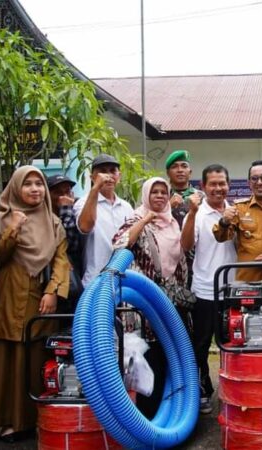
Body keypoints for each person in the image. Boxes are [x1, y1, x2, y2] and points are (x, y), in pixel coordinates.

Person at [0, 166, 69, 443]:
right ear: (15, 188)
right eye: (27, 184)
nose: (34, 189)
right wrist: (13, 229)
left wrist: (53, 291)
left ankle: (29, 421)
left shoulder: (52, 222)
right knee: (3, 358)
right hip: (5, 294)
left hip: (39, 297)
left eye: (39, 184)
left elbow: (61, 260)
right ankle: (4, 421)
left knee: (32, 359)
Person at [112, 176, 194, 419]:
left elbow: (184, 252)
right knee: (150, 354)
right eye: (154, 192)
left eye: (163, 192)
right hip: (144, 301)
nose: (159, 196)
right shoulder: (136, 218)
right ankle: (148, 415)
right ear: (146, 195)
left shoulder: (173, 223)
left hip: (172, 299)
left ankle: (177, 411)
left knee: (174, 353)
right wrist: (147, 218)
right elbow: (120, 244)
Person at [180, 164, 237, 415]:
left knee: (233, 344)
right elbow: (185, 245)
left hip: (234, 289)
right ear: (203, 186)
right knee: (201, 345)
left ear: (228, 185)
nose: (218, 188)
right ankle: (203, 390)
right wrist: (191, 213)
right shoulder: (197, 213)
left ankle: (234, 390)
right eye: (212, 184)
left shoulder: (237, 211)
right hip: (204, 290)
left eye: (222, 183)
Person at [74, 154, 135, 287]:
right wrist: (95, 188)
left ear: (119, 176)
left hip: (123, 281)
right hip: (94, 281)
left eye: (113, 171)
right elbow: (85, 226)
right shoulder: (83, 203)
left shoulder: (126, 207)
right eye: (102, 171)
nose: (108, 176)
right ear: (92, 177)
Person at [47, 174, 83, 312]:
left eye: (67, 192)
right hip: (53, 282)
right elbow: (67, 243)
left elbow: (75, 244)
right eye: (58, 193)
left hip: (75, 279)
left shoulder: (77, 212)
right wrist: (66, 210)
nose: (63, 197)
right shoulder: (44, 217)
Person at [165, 150, 198, 227]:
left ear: (190, 172)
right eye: (174, 167)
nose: (180, 170)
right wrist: (168, 207)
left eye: (184, 166)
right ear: (168, 173)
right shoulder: (161, 196)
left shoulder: (201, 196)